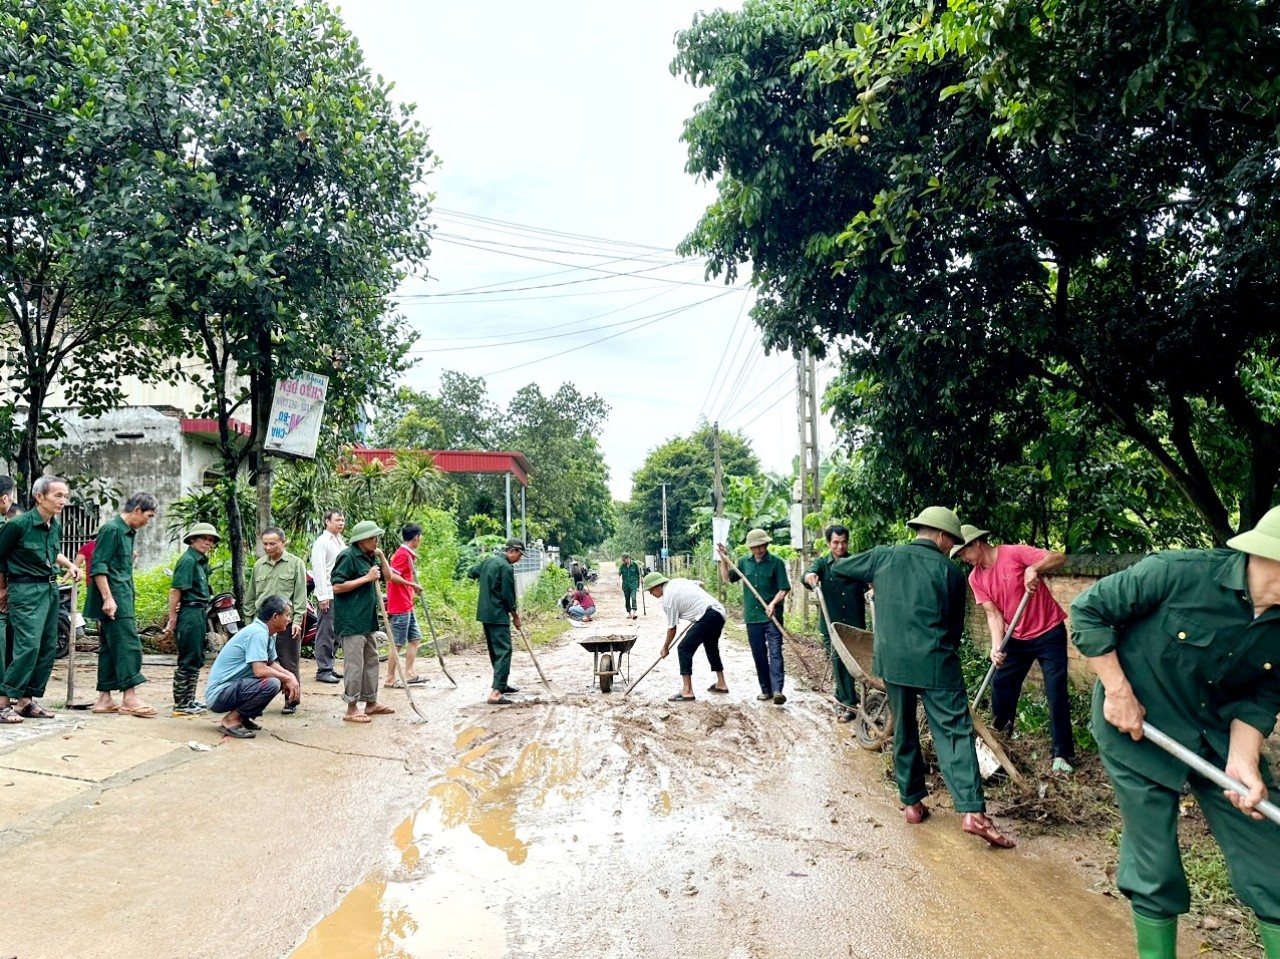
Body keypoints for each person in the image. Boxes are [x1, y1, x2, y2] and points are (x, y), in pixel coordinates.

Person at [1069, 507, 1280, 959]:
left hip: (1218, 736)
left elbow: (1263, 693)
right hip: (1141, 728)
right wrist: (1117, 691)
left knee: (1273, 861)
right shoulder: (1176, 574)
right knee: (1156, 864)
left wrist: (1243, 759)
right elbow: (1088, 612)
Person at [830, 506, 1015, 848]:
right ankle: (973, 812)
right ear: (942, 536)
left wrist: (874, 581)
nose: (952, 549)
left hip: (894, 663)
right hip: (935, 662)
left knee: (904, 728)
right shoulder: (950, 572)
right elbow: (954, 628)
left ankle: (912, 804)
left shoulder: (884, 557)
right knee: (954, 732)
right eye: (952, 542)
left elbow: (840, 570)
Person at [953, 524, 1075, 773]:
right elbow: (993, 615)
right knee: (1001, 684)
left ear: (977, 543)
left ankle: (1062, 753)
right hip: (1016, 637)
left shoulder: (1014, 553)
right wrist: (997, 646)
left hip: (1049, 631)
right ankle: (1000, 741)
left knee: (1055, 690)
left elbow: (1059, 557)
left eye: (963, 552)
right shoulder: (975, 578)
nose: (963, 558)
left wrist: (1034, 568)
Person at [0, 476, 81, 724]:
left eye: (65, 496)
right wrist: (2, 589)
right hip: (25, 591)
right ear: (39, 496)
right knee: (28, 646)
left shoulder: (53, 525)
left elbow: (51, 550)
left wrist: (69, 564)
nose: (63, 501)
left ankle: (26, 700)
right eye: (58, 495)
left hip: (50, 589)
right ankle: (3, 701)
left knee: (47, 647)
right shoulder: (17, 525)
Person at [86, 492, 159, 718]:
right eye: (149, 515)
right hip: (116, 599)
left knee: (109, 648)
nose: (149, 520)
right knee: (129, 645)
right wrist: (108, 598)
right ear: (137, 510)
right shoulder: (113, 529)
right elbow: (98, 566)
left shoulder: (127, 532)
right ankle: (129, 697)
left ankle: (105, 698)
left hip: (121, 596)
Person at [204, 595, 300, 739]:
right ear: (275, 617)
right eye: (287, 615)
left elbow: (270, 663)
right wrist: (287, 678)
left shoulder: (268, 633)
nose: (289, 619)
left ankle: (242, 718)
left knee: (278, 678)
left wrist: (290, 676)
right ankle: (231, 720)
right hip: (219, 695)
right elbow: (260, 670)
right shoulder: (258, 633)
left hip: (229, 689)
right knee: (272, 683)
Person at [330, 520, 395, 723]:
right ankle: (351, 707)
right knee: (355, 664)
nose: (376, 541)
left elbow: (389, 577)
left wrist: (382, 557)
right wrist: (365, 579)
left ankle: (371, 702)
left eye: (377, 537)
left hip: (367, 619)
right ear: (361, 540)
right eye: (372, 538)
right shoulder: (348, 556)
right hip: (351, 621)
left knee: (371, 661)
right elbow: (337, 586)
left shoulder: (369, 557)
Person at [803, 524, 868, 723]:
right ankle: (849, 704)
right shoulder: (823, 564)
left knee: (854, 663)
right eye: (836, 543)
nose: (840, 547)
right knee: (839, 662)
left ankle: (842, 696)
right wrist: (809, 577)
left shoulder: (856, 562)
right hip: (832, 625)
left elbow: (869, 582)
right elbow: (807, 575)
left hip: (855, 625)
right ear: (828, 543)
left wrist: (872, 589)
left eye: (844, 542)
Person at [719, 528, 790, 705]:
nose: (759, 550)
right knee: (759, 654)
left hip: (772, 617)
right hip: (752, 617)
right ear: (750, 548)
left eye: (762, 546)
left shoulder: (777, 563)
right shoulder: (744, 562)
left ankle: (777, 690)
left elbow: (784, 589)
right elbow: (727, 578)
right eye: (755, 547)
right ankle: (765, 690)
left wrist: (773, 604)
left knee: (775, 653)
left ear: (766, 544)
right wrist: (723, 560)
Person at [243, 527, 308, 715]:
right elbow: (250, 596)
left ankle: (291, 700)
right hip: (262, 625)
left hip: (285, 623)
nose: (268, 547)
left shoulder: (295, 564)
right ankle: (256, 702)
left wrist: (296, 621)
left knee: (288, 662)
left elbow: (300, 596)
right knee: (259, 663)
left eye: (273, 543)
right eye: (265, 544)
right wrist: (249, 623)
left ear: (283, 542)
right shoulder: (259, 566)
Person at [162, 523, 220, 716]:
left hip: (199, 612)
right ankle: (181, 703)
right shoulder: (188, 561)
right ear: (193, 539)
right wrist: (172, 619)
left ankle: (189, 700)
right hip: (190, 613)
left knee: (196, 656)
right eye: (204, 538)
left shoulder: (200, 561)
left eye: (211, 540)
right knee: (188, 658)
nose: (208, 543)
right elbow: (175, 590)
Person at [643, 571, 728, 702]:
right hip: (719, 612)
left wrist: (665, 647)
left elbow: (672, 629)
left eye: (650, 590)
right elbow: (700, 585)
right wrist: (698, 607)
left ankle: (687, 691)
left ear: (657, 586)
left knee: (683, 648)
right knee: (711, 647)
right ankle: (721, 683)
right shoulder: (678, 581)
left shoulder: (668, 600)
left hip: (708, 615)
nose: (651, 594)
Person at [469, 539, 524, 706]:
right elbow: (508, 596)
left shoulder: (489, 561)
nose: (519, 559)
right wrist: (515, 616)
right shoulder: (506, 567)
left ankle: (502, 684)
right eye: (520, 555)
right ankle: (496, 692)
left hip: (485, 614)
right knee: (504, 651)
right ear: (513, 551)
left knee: (495, 651)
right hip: (498, 615)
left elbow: (471, 572)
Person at [384, 523, 426, 688]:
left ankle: (409, 672)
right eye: (420, 536)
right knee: (398, 643)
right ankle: (389, 677)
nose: (420, 539)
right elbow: (391, 576)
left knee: (415, 638)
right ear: (416, 537)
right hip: (400, 605)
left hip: (407, 604)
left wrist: (411, 588)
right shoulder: (402, 554)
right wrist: (412, 585)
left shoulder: (408, 554)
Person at [309, 508, 346, 684]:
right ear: (327, 521)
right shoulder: (322, 542)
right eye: (337, 520)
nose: (341, 523)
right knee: (326, 632)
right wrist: (323, 596)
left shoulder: (340, 541)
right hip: (328, 594)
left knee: (337, 632)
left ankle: (329, 667)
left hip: (340, 593)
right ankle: (323, 669)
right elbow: (319, 569)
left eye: (342, 520)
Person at [619, 554, 641, 620]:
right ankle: (629, 613)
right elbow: (619, 574)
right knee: (627, 599)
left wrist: (640, 579)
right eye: (623, 560)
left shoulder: (635, 565)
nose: (624, 561)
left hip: (634, 584)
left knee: (633, 597)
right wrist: (617, 580)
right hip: (626, 585)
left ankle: (634, 612)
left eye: (625, 559)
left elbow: (639, 574)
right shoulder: (622, 566)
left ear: (628, 558)